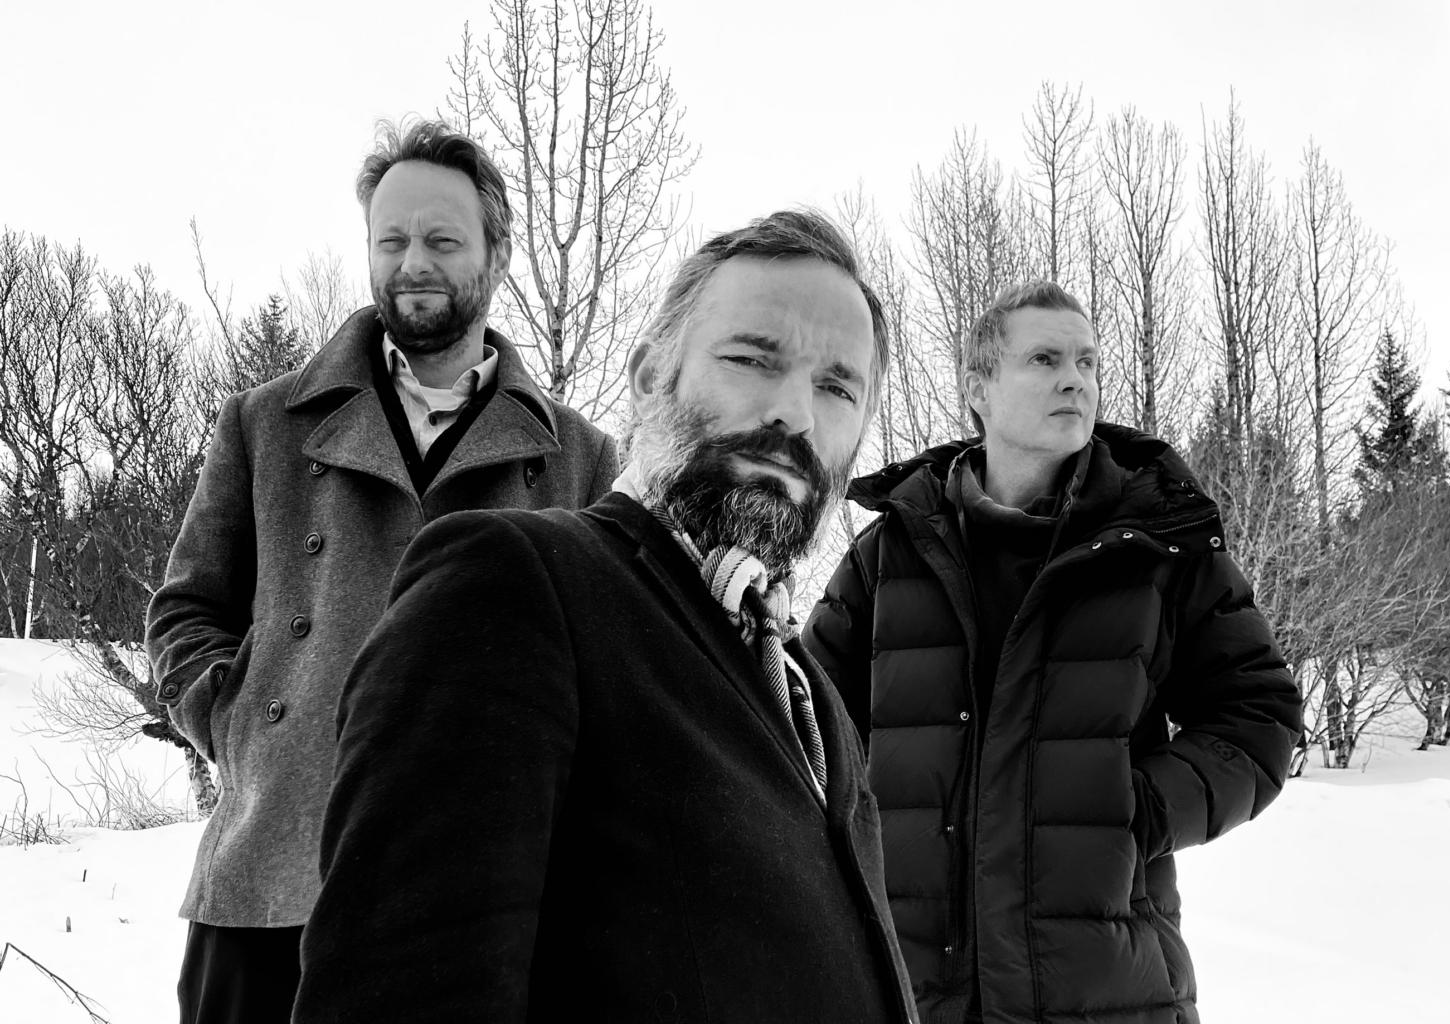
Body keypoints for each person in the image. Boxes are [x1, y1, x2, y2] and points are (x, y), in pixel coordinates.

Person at [291, 210, 919, 1024]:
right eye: (751, 360)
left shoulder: (808, 692)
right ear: (650, 377)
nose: (796, 413)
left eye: (838, 388)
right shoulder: (515, 585)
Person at [145, 119, 617, 1024]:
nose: (413, 263)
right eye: (391, 239)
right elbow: (186, 608)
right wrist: (239, 721)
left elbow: (611, 671)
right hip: (270, 884)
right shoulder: (264, 424)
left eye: (443, 240)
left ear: (497, 253)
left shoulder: (580, 459)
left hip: (489, 903)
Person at [803, 281, 1302, 1024]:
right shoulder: (891, 554)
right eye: (1045, 359)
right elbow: (807, 733)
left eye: (1087, 361)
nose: (1076, 380)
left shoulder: (1158, 547)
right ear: (979, 388)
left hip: (1106, 993)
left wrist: (1135, 809)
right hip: (916, 991)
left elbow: (1259, 719)